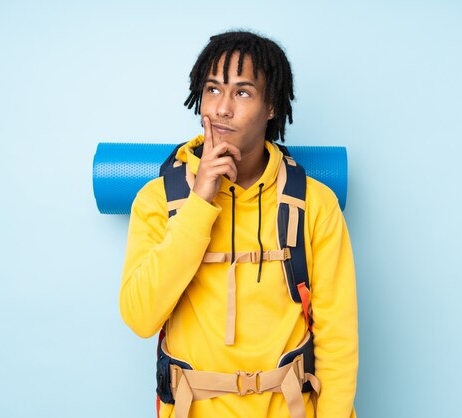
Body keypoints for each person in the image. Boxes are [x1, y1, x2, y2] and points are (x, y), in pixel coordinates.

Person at [120, 30, 358, 418]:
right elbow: (140, 317)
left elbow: (338, 343)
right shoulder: (157, 199)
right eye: (212, 90)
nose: (222, 109)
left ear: (271, 108)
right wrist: (199, 202)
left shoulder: (315, 204)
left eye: (243, 93)